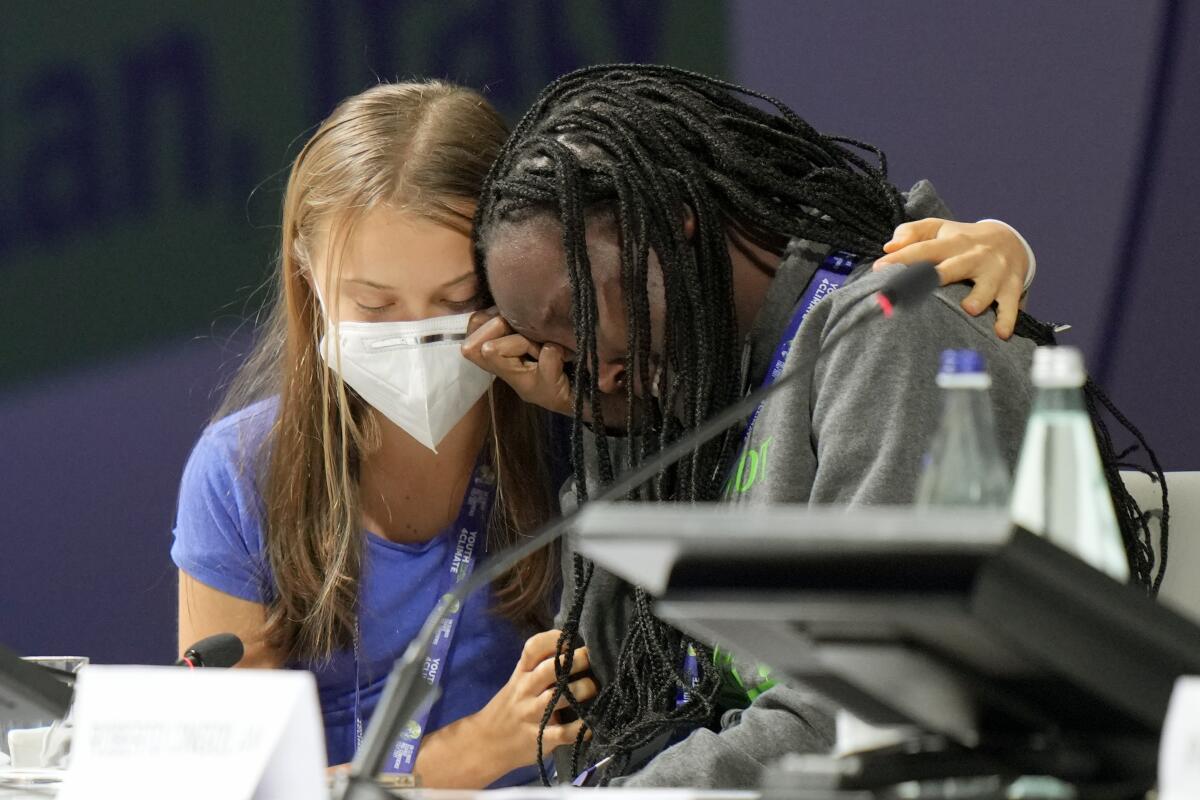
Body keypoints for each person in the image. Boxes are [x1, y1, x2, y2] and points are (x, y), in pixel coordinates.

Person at [463, 64, 1159, 787]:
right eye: (555, 352)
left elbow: (867, 714)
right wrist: (619, 429)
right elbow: (618, 710)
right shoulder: (690, 390)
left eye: (576, 319)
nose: (593, 369)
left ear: (668, 225)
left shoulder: (891, 332)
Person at [171, 81, 598, 788]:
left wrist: (600, 429)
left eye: (458, 301)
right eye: (374, 305)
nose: (414, 334)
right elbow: (233, 785)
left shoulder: (577, 436)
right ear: (308, 276)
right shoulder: (238, 472)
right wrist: (473, 753)